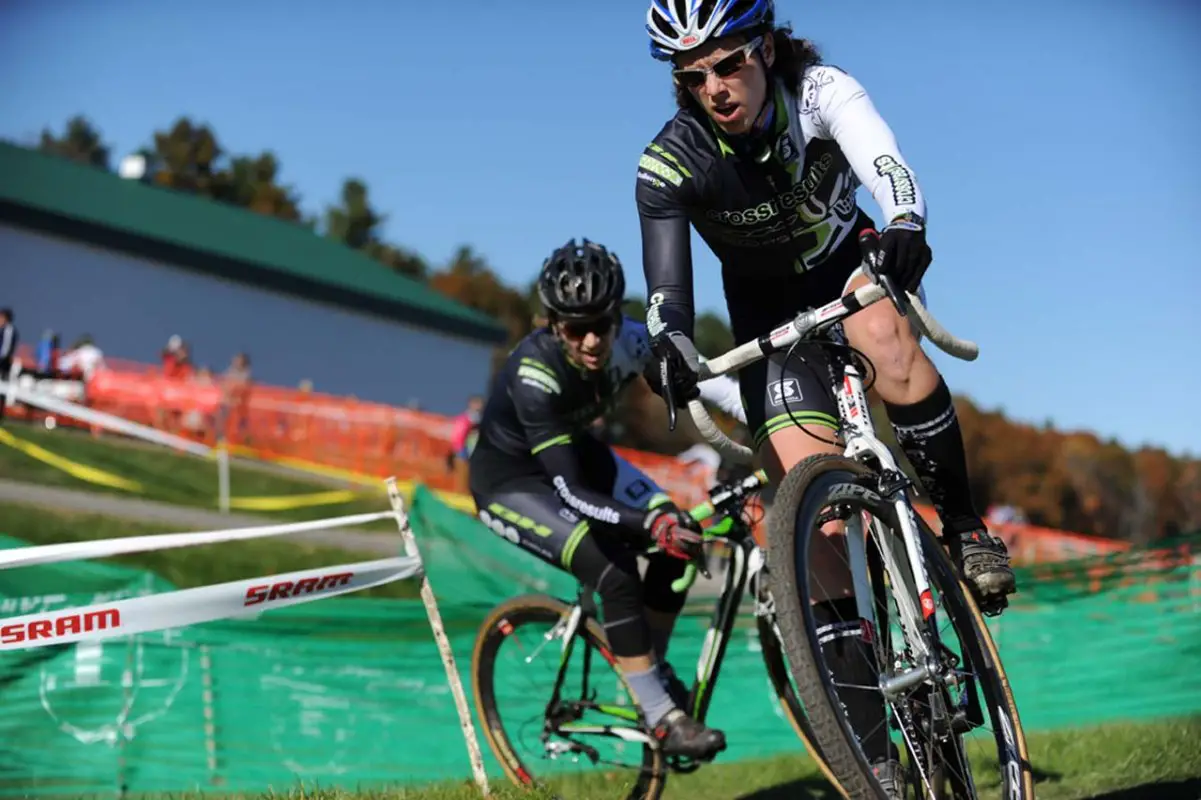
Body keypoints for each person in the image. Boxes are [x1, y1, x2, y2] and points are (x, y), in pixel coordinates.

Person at [636, 0, 1015, 791]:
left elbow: (882, 158)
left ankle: (967, 527)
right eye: (692, 75)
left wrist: (905, 218)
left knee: (885, 338)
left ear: (765, 48)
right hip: (766, 318)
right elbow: (666, 293)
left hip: (845, 268)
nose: (714, 86)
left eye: (730, 62)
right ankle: (878, 757)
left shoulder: (819, 92)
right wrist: (670, 346)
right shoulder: (669, 164)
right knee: (817, 524)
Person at [467, 238, 742, 760]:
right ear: (551, 324)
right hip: (512, 483)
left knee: (675, 534)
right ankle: (661, 718)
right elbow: (570, 491)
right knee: (614, 570)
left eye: (602, 323)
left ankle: (649, 673)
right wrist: (644, 525)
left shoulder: (629, 341)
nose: (592, 340)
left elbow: (712, 385)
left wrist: (774, 423)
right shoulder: (534, 374)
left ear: (618, 317)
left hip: (574, 454)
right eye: (576, 328)